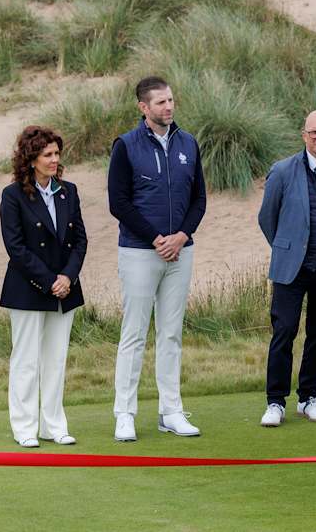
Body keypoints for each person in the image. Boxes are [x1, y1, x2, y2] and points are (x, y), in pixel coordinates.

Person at [108, 76, 207, 441]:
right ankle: (125, 413)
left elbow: (199, 200)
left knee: (171, 334)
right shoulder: (126, 146)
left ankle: (171, 411)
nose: (168, 107)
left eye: (170, 100)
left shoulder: (188, 143)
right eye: (160, 102)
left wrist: (180, 236)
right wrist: (155, 238)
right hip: (138, 251)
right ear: (143, 108)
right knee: (134, 335)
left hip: (180, 250)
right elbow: (118, 203)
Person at [257, 111, 316, 428]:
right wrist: (287, 247)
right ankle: (275, 401)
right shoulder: (283, 171)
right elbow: (267, 218)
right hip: (291, 269)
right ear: (304, 135)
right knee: (284, 331)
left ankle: (308, 398)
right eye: (314, 132)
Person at [0, 126, 87, 447]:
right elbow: (16, 247)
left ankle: (53, 425)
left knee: (55, 359)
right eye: (47, 154)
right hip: (28, 288)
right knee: (26, 360)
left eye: (56, 153)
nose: (54, 159)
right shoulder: (12, 196)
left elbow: (79, 240)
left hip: (65, 288)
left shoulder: (68, 191)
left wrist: (67, 277)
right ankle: (25, 427)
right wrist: (50, 280)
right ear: (31, 158)